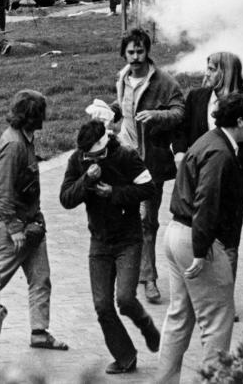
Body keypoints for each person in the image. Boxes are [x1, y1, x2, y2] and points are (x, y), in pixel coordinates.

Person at [155, 93, 243, 383]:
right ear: (239, 121)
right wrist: (202, 251)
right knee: (217, 322)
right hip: (196, 239)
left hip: (175, 233)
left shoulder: (207, 141)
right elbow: (207, 203)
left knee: (179, 317)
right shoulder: (221, 153)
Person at [60, 120, 160, 375]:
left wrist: (114, 193)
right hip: (100, 241)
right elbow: (66, 199)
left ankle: (146, 324)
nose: (87, 159)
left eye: (92, 155)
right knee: (102, 305)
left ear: (104, 145)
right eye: (84, 155)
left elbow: (149, 188)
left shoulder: (126, 156)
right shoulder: (78, 160)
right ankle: (125, 356)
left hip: (128, 239)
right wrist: (85, 179)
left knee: (125, 299)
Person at [172, 53, 243, 306]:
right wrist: (180, 152)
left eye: (213, 69)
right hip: (197, 179)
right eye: (207, 68)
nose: (207, 74)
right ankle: (199, 288)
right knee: (197, 226)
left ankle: (225, 297)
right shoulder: (198, 97)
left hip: (232, 182)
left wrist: (227, 159)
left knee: (228, 238)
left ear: (225, 72)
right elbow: (181, 129)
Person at [106, 28, 185, 306]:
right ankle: (137, 270)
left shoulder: (163, 82)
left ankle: (149, 279)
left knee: (147, 220)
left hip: (151, 162)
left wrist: (156, 115)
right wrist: (111, 111)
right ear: (124, 54)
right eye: (131, 52)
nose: (136, 57)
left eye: (140, 51)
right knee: (129, 217)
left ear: (147, 51)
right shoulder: (123, 77)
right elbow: (125, 105)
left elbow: (179, 112)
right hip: (125, 160)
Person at [0, 90, 69, 351]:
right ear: (32, 116)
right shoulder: (13, 145)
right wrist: (14, 230)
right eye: (41, 112)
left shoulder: (25, 138)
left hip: (30, 225)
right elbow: (1, 191)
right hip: (13, 228)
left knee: (40, 278)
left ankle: (39, 332)